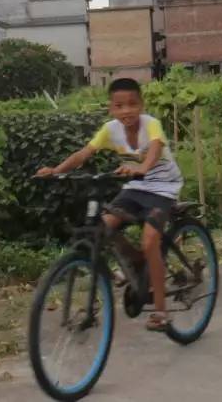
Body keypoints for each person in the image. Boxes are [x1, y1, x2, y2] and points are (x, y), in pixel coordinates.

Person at [35, 77, 183, 332]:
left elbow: (156, 149)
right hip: (135, 188)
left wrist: (143, 168)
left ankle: (161, 311)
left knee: (150, 241)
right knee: (101, 228)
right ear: (111, 108)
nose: (126, 111)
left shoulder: (152, 125)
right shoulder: (109, 129)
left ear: (141, 105)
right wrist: (56, 171)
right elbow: (84, 154)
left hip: (163, 188)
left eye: (132, 104)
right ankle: (136, 262)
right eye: (119, 105)